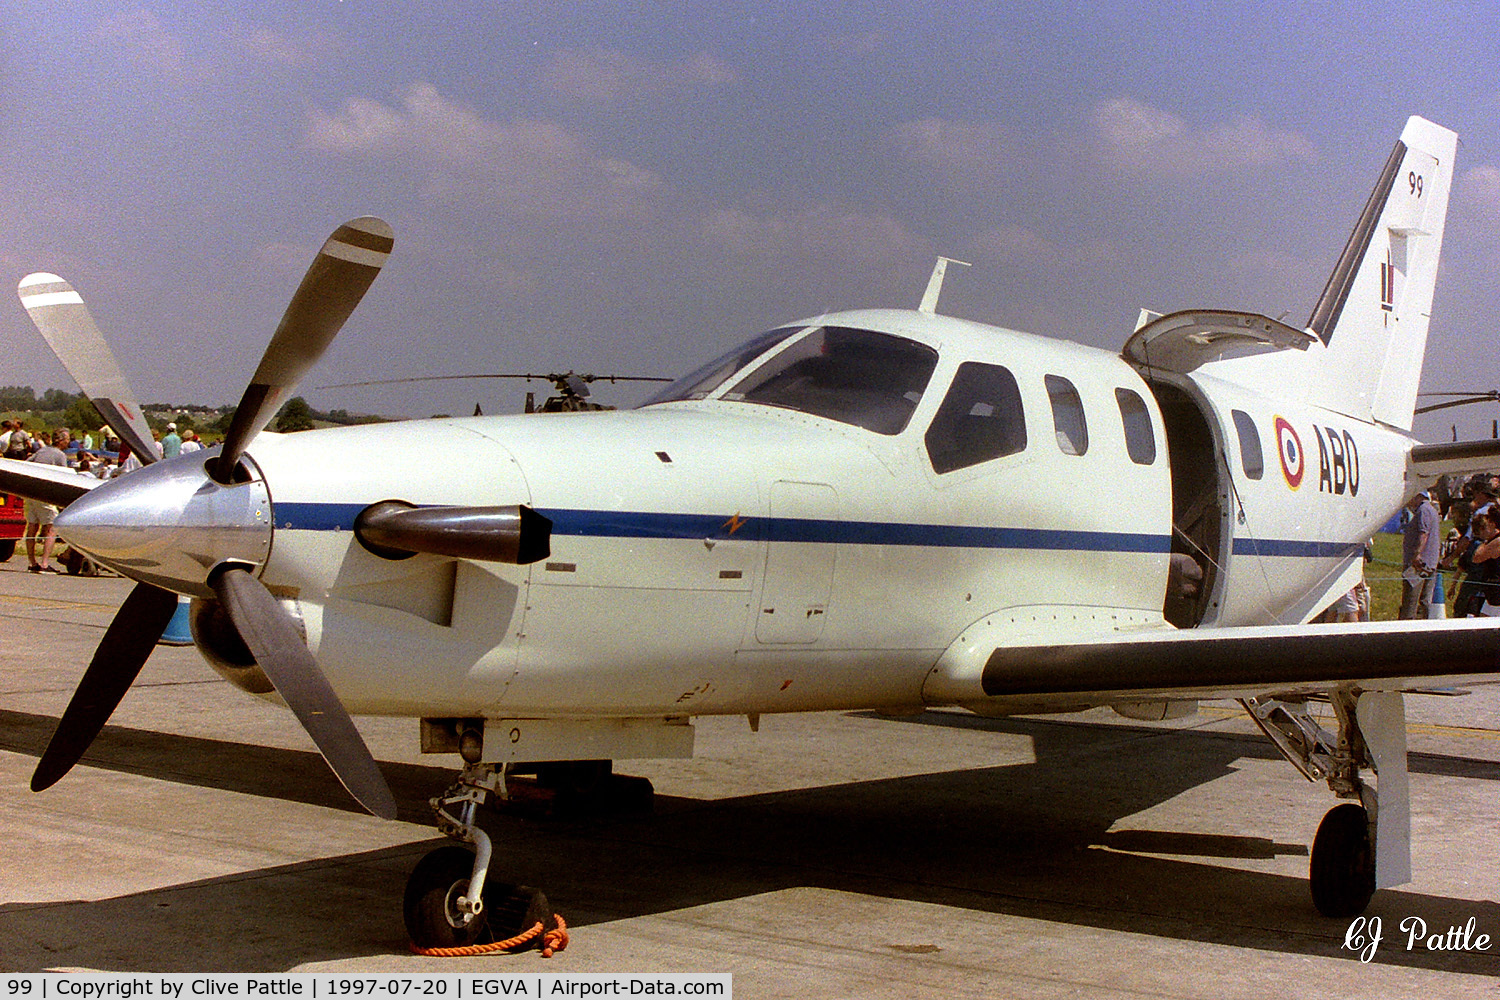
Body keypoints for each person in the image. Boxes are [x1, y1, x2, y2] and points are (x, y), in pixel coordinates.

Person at [24, 430, 69, 573]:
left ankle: (32, 562)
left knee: (32, 526)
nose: (68, 442)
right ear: (61, 441)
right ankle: (44, 564)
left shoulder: (41, 451)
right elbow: (64, 476)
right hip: (44, 494)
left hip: (31, 493)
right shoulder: (60, 455)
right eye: (67, 439)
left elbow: (26, 463)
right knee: (52, 527)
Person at [1400, 490, 1440, 619]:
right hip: (1430, 562)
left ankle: (1407, 626)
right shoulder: (1432, 510)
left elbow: (1424, 533)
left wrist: (1417, 554)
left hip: (1419, 564)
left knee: (1410, 600)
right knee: (1424, 600)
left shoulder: (1423, 510)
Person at [1460, 510, 1500, 615]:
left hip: (1496, 592)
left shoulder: (1497, 541)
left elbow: (1477, 557)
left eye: (1483, 529)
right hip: (1491, 592)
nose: (1480, 534)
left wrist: (1484, 543)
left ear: (1492, 524)